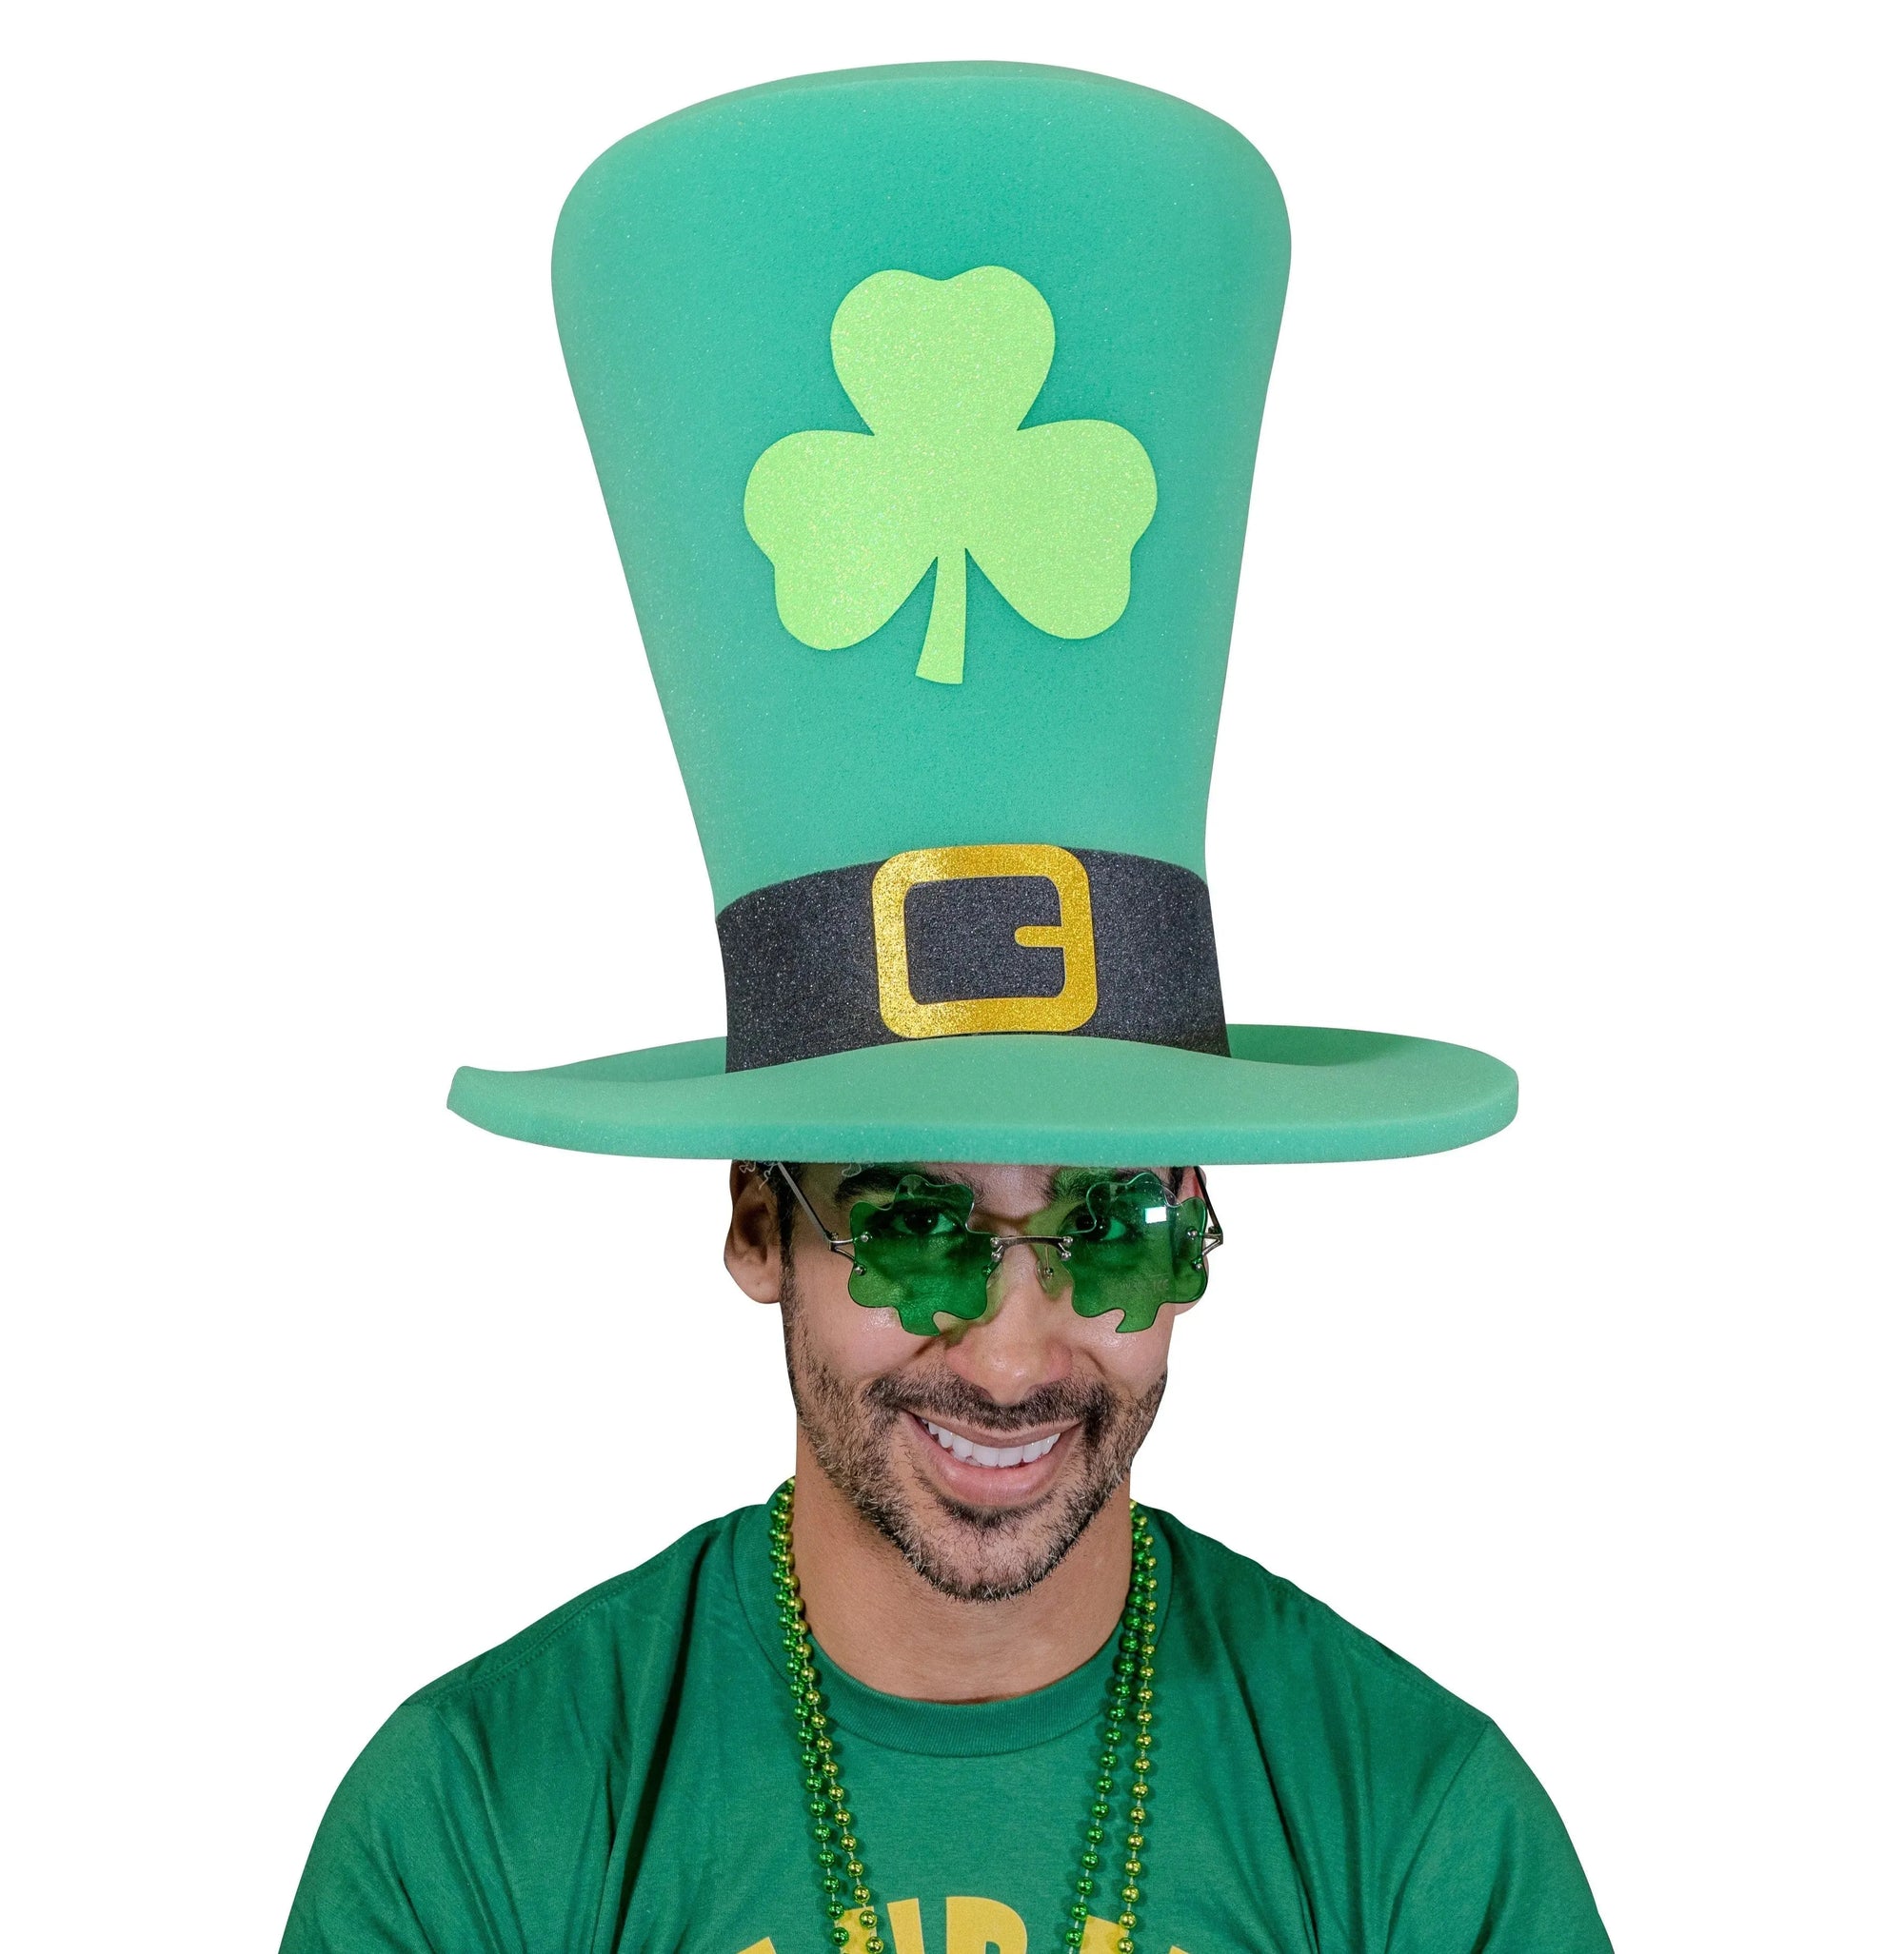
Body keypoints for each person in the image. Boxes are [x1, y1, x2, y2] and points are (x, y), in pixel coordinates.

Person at [283, 63, 1611, 1954]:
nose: (1011, 1350)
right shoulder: (486, 1827)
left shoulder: (1414, 1831)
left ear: (1203, 1227)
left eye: (1114, 1227)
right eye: (914, 1225)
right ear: (757, 1221)